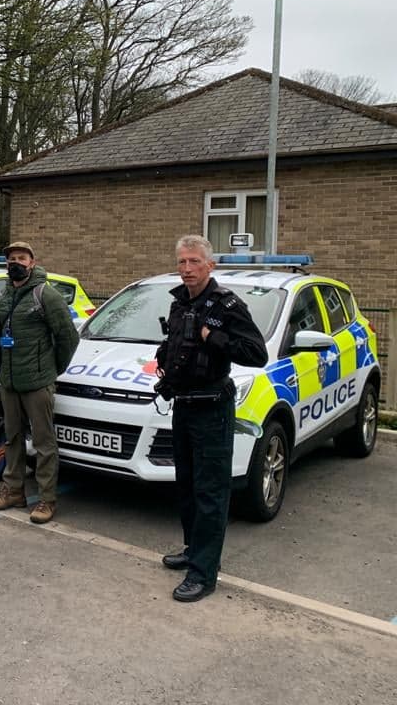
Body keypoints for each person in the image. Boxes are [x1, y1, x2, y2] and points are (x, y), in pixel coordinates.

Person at [155, 235, 268, 603]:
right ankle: (193, 550)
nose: (186, 269)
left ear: (210, 265)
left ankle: (203, 574)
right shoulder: (178, 302)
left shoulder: (227, 305)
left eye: (193, 262)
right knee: (186, 486)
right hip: (184, 406)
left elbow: (256, 353)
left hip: (212, 409)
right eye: (182, 262)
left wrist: (210, 335)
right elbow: (176, 346)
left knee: (210, 492)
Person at [0, 242, 79, 524]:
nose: (16, 262)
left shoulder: (45, 295)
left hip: (38, 382)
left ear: (32, 262)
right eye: (12, 258)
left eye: (21, 258)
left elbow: (68, 337)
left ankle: (47, 499)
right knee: (12, 437)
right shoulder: (1, 295)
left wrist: (52, 370)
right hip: (9, 380)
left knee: (43, 442)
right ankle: (14, 490)